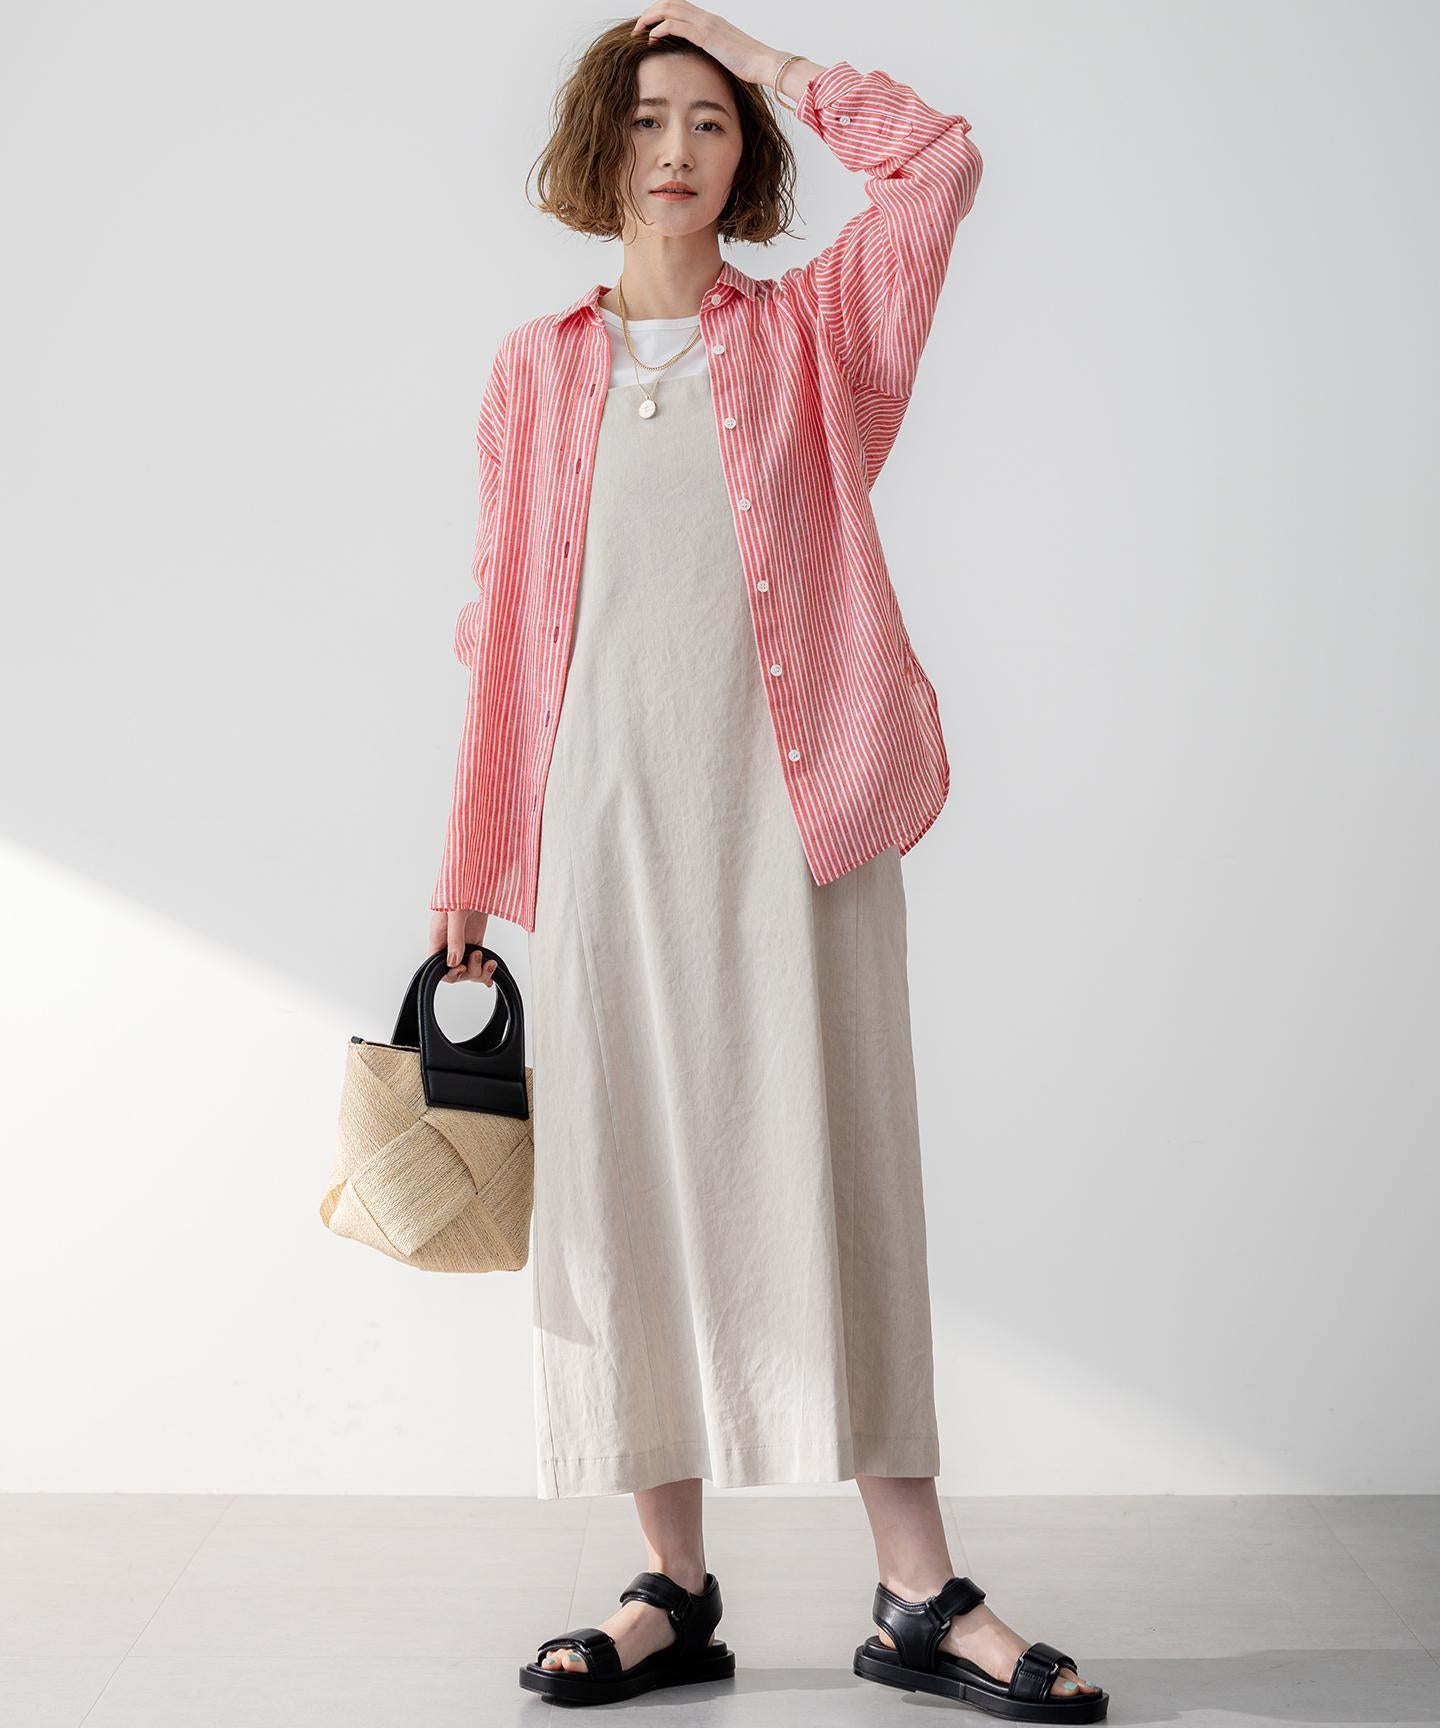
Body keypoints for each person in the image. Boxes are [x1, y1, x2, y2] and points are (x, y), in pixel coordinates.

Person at [425, 4, 1108, 1716]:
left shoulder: (817, 339)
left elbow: (938, 165)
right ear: (597, 145)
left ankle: (921, 1594)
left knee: (843, 1157)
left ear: (748, 157)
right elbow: (503, 625)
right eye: (649, 116)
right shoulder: (531, 370)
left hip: (800, 815)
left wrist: (760, 52)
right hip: (602, 828)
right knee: (627, 1177)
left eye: (711, 122)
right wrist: (470, 857)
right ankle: (671, 1588)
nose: (677, 148)